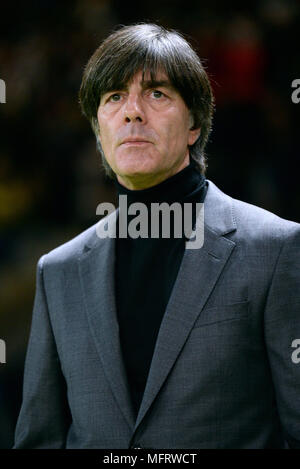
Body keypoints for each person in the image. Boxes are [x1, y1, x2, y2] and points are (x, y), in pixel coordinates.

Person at [14, 23, 300, 449]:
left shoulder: (274, 248)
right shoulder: (57, 272)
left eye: (157, 94)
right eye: (114, 97)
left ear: (194, 125)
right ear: (99, 129)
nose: (132, 111)